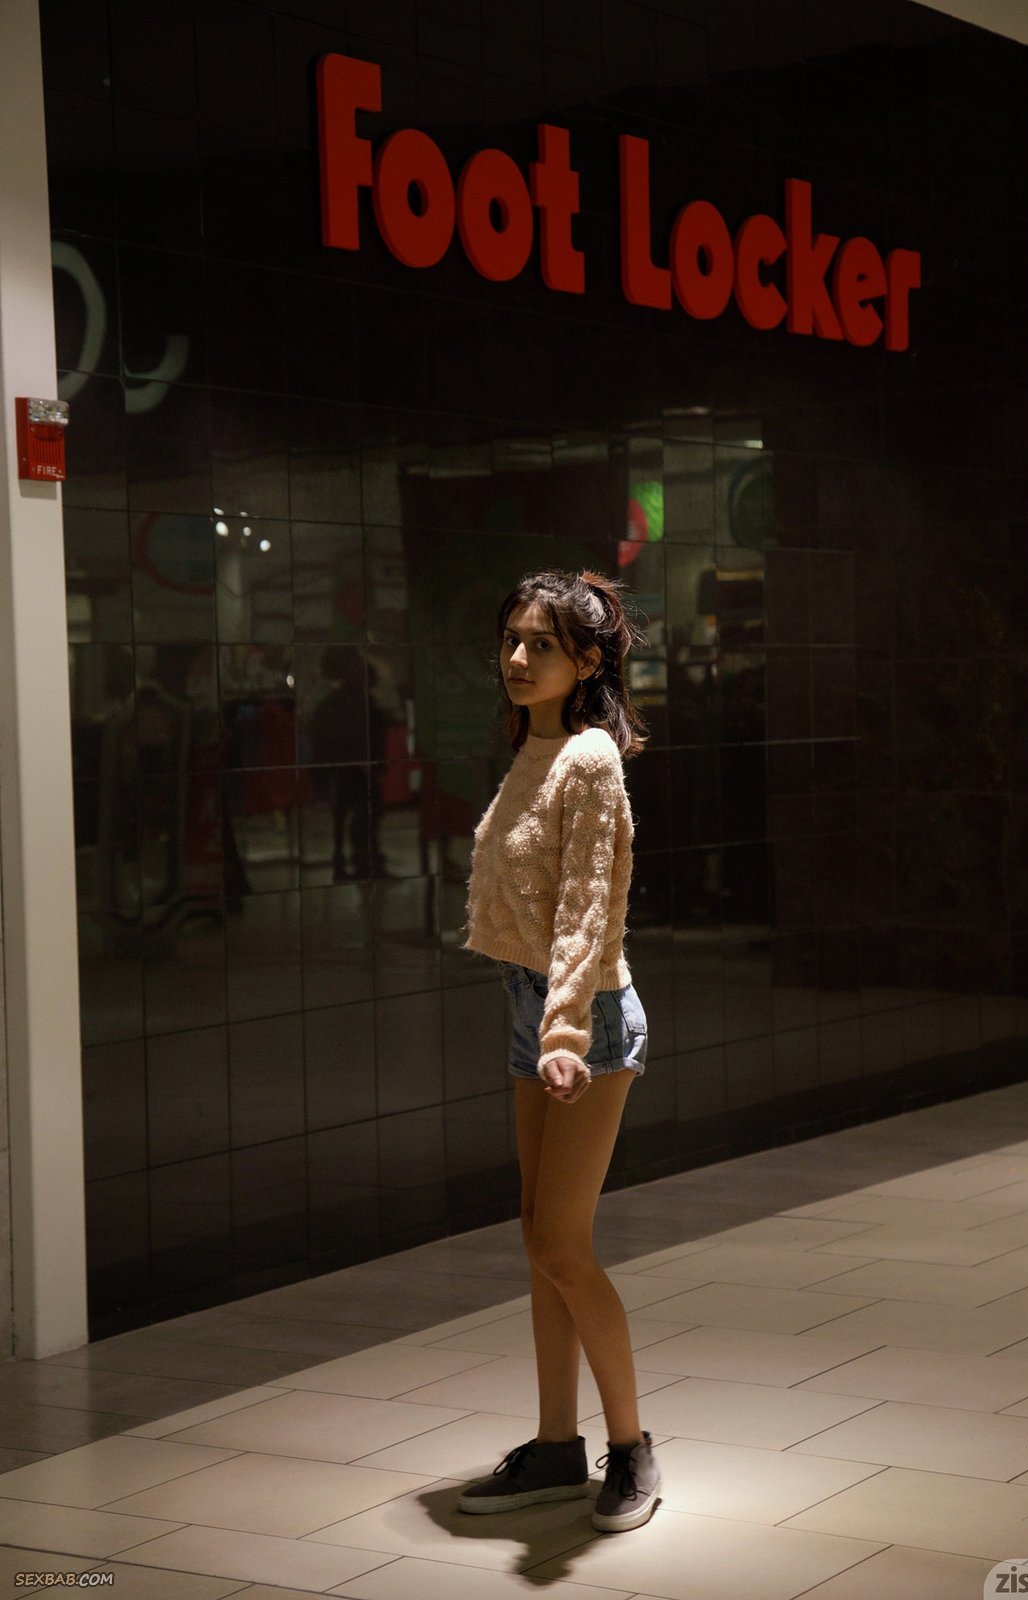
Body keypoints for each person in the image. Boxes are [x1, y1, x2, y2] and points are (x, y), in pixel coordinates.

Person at [457, 568, 662, 1534]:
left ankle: (631, 1448)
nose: (517, 657)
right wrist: (537, 1019)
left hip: (584, 1018)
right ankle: (553, 1448)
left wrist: (566, 1031)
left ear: (586, 662)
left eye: (541, 644)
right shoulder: (531, 748)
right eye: (511, 639)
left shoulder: (587, 758)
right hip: (527, 1005)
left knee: (560, 1245)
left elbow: (589, 905)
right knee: (538, 1239)